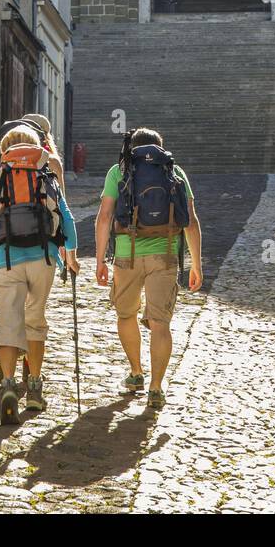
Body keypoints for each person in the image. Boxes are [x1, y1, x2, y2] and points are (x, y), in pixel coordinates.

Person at [0, 123, 79, 426]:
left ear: (4, 150)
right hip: (43, 258)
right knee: (35, 320)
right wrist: (70, 253)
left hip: (6, 259)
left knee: (9, 321)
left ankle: (7, 385)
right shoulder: (45, 177)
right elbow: (66, 219)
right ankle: (33, 387)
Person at [95, 127, 203, 411]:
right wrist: (196, 264)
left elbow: (105, 217)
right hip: (165, 254)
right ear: (159, 148)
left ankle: (136, 372)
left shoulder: (118, 172)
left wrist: (98, 261)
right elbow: (191, 221)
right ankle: (156, 387)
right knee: (160, 323)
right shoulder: (174, 172)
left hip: (126, 254)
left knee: (126, 314)